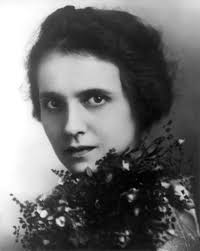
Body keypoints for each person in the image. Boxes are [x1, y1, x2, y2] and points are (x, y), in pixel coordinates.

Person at [26, 5, 199, 250]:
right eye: (53, 103)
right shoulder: (61, 209)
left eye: (96, 99)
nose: (71, 126)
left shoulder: (159, 209)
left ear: (139, 103)